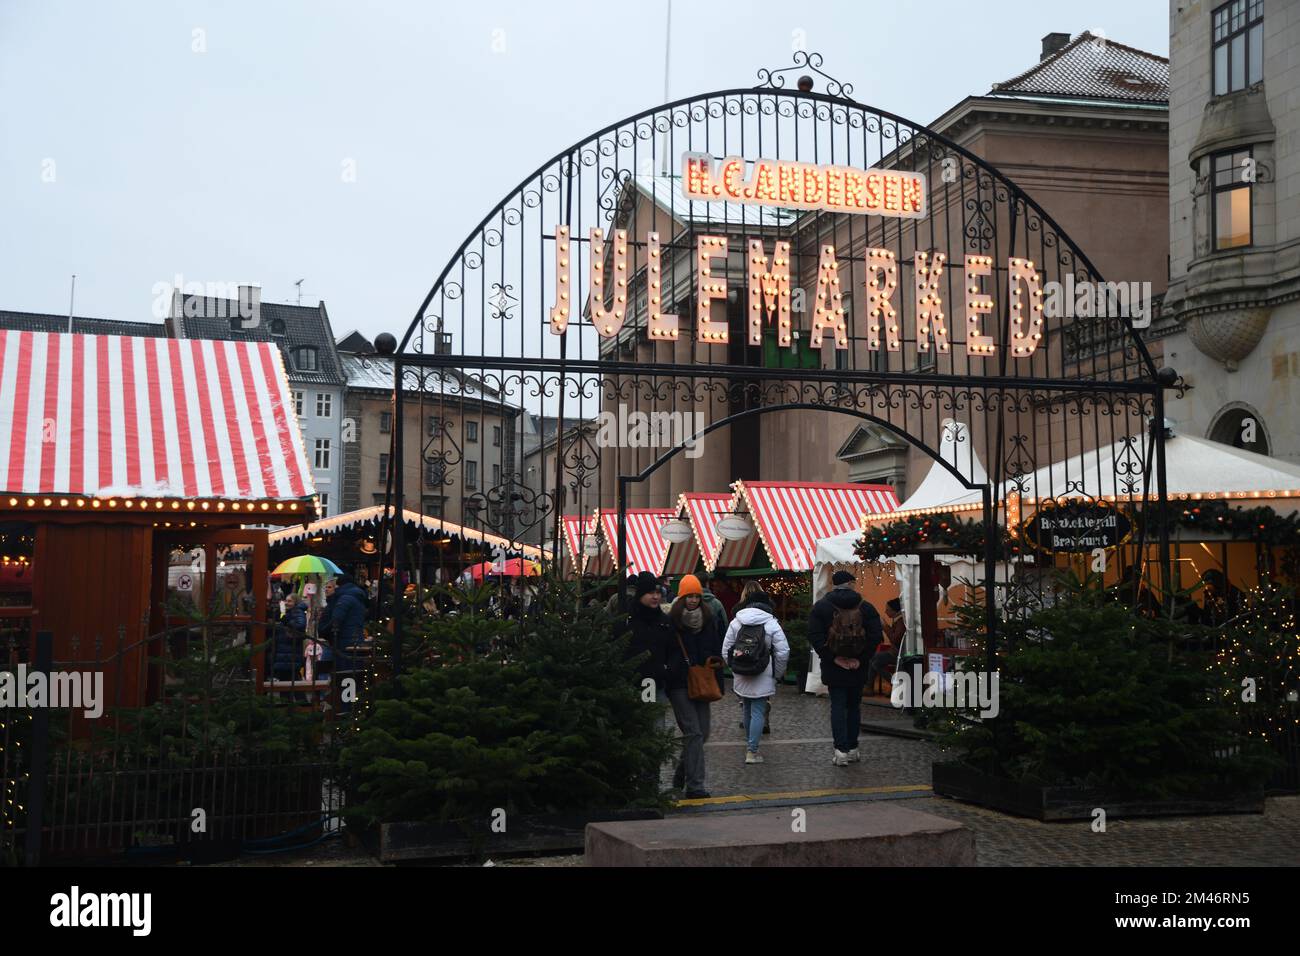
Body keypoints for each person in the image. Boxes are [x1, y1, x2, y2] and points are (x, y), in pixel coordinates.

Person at [808, 570, 883, 766]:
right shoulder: (865, 607)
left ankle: (840, 751)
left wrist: (833, 658)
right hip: (858, 665)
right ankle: (853, 748)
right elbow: (876, 635)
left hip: (834, 666)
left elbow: (815, 637)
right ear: (851, 583)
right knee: (854, 706)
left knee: (838, 706)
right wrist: (861, 658)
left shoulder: (821, 607)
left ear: (834, 585)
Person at [665, 574, 720, 798]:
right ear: (682, 597)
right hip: (679, 683)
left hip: (703, 681)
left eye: (696, 596)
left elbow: (716, 647)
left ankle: (680, 774)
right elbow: (666, 651)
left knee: (702, 733)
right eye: (689, 596)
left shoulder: (708, 619)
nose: (693, 600)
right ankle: (696, 786)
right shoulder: (672, 621)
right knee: (694, 733)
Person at [722, 586, 789, 765]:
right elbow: (783, 651)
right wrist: (777, 674)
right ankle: (752, 751)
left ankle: (750, 746)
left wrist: (733, 666)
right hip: (763, 672)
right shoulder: (771, 623)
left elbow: (725, 649)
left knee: (746, 708)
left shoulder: (736, 621)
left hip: (741, 672)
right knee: (758, 711)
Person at [613, 571, 673, 697]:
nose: (656, 597)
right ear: (640, 594)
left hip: (656, 682)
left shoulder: (664, 620)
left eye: (658, 593)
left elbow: (671, 648)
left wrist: (666, 670)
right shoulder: (627, 619)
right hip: (631, 683)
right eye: (651, 593)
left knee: (656, 715)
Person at [733, 581, 774, 733]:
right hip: (764, 656)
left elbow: (729, 642)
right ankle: (764, 720)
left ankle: (748, 723)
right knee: (763, 695)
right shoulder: (769, 609)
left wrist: (731, 662)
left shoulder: (739, 611)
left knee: (745, 697)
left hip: (743, 656)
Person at [865, 597, 904, 694]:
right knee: (873, 659)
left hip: (898, 654)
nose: (886, 611)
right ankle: (869, 687)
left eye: (888, 609)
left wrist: (885, 626)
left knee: (875, 662)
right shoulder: (898, 620)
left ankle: (895, 685)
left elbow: (895, 639)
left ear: (895, 611)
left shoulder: (901, 622)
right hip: (894, 652)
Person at [273, 591, 308, 681]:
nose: (287, 603)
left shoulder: (297, 611)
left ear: (295, 602)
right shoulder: (288, 612)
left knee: (292, 679)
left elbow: (300, 625)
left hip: (291, 651)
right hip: (286, 651)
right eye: (286, 601)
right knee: (286, 680)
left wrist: (287, 621)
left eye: (290, 601)